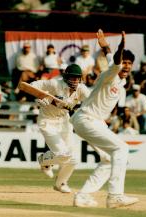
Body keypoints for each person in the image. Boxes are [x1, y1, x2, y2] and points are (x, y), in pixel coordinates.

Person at [70, 29, 138, 208]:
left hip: (91, 121)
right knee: (122, 149)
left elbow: (110, 55)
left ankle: (83, 196)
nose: (127, 66)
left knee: (109, 159)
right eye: (125, 62)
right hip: (87, 118)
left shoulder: (121, 81)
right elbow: (114, 60)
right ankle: (115, 196)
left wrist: (106, 45)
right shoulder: (111, 74)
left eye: (130, 63)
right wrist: (121, 46)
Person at [30, 63, 90, 193]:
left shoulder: (82, 89)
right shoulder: (54, 84)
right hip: (47, 121)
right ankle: (44, 160)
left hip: (64, 122)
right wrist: (42, 97)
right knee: (64, 155)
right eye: (72, 78)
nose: (75, 81)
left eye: (77, 78)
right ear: (66, 77)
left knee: (73, 158)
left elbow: (92, 100)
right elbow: (32, 86)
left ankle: (60, 183)